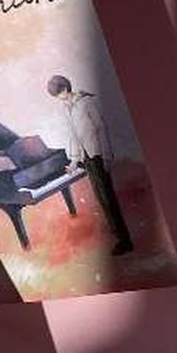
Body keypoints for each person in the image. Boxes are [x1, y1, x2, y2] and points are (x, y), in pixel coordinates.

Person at [47, 74, 135, 254]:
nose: (59, 99)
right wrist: (74, 161)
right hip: (86, 159)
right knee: (102, 199)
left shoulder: (86, 102)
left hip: (97, 155)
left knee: (108, 199)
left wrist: (107, 156)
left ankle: (125, 240)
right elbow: (73, 135)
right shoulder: (66, 107)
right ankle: (119, 237)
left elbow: (101, 128)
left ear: (65, 88)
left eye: (59, 94)